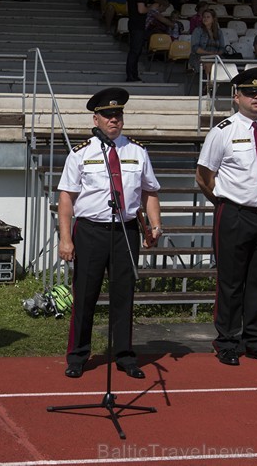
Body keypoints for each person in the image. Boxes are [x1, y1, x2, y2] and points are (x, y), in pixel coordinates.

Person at [58, 87, 162, 379]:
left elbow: (149, 192)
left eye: (118, 114)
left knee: (123, 295)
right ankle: (78, 355)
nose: (113, 119)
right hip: (90, 230)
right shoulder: (81, 153)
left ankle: (125, 355)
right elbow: (66, 198)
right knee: (85, 295)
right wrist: (65, 238)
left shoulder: (137, 152)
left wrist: (155, 224)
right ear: (96, 119)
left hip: (125, 231)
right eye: (107, 115)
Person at [195, 68, 257, 367]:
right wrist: (225, 200)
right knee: (231, 282)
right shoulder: (223, 131)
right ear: (236, 96)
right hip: (235, 214)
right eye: (251, 93)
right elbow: (203, 176)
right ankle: (227, 341)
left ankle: (256, 341)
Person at [126, 0, 158, 82]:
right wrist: (151, 7)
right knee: (135, 51)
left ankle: (133, 74)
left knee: (135, 50)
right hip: (137, 24)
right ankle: (131, 75)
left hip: (133, 23)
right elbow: (141, 10)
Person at [190, 8, 224, 87]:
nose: (205, 19)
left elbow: (222, 48)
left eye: (208, 17)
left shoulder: (219, 32)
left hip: (216, 56)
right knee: (209, 62)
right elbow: (195, 48)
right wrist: (210, 53)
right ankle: (210, 84)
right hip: (199, 56)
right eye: (204, 17)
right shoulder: (198, 30)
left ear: (213, 19)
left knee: (216, 62)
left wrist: (217, 54)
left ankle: (211, 84)